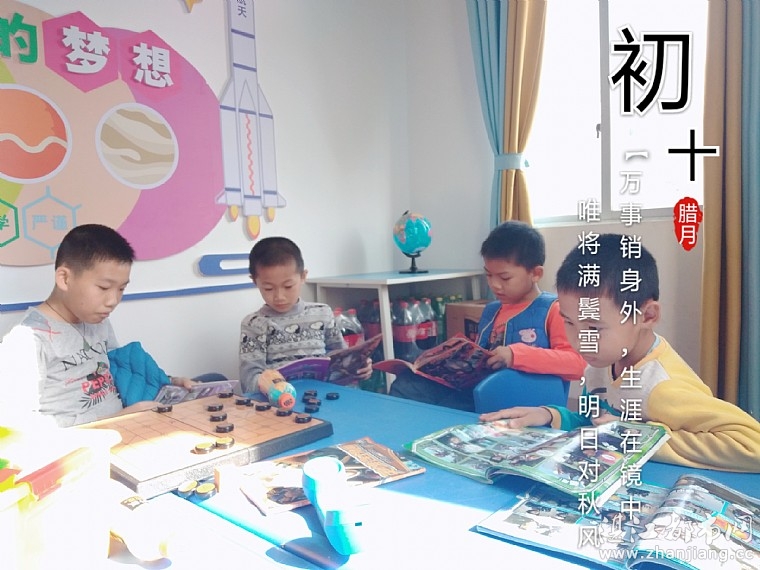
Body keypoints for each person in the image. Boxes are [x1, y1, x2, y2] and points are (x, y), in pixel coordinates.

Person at [480, 233, 760, 472]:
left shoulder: (662, 387)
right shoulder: (600, 362)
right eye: (569, 322)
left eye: (594, 327)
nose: (580, 342)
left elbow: (752, 445)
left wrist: (636, 436)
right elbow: (594, 422)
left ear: (647, 316)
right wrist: (549, 415)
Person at [0, 224, 197, 428]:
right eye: (104, 287)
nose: (113, 301)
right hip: (85, 441)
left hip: (126, 426)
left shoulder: (97, 319)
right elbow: (17, 426)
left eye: (121, 289)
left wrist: (169, 383)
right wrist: (115, 420)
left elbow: (119, 371)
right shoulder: (27, 339)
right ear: (65, 279)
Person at [389, 221, 587, 411]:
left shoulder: (553, 310)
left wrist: (515, 356)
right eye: (489, 275)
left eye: (505, 277)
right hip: (481, 392)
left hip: (523, 400)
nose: (494, 285)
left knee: (447, 408)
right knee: (407, 384)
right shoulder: (492, 311)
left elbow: (578, 364)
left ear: (535, 273)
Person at [239, 236, 372, 394]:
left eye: (288, 286)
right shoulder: (254, 324)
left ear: (303, 276)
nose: (279, 296)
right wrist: (272, 384)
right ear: (255, 281)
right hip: (280, 401)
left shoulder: (322, 313)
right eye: (268, 288)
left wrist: (359, 367)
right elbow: (249, 382)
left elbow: (342, 360)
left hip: (325, 397)